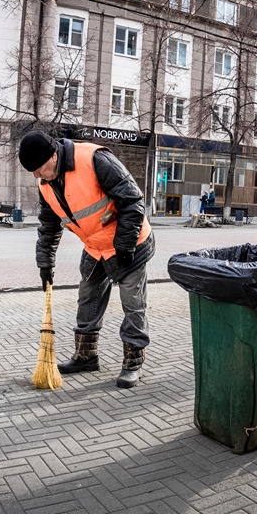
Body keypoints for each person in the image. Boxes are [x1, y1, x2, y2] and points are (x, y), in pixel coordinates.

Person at [18, 131, 155, 389]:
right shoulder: (46, 184)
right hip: (95, 246)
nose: (36, 175)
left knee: (132, 303)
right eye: (33, 172)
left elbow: (133, 202)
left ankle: (132, 363)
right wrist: (45, 262)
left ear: (53, 155)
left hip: (129, 244)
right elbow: (49, 226)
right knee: (88, 297)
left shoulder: (94, 159)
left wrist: (124, 246)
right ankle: (86, 356)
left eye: (38, 169)